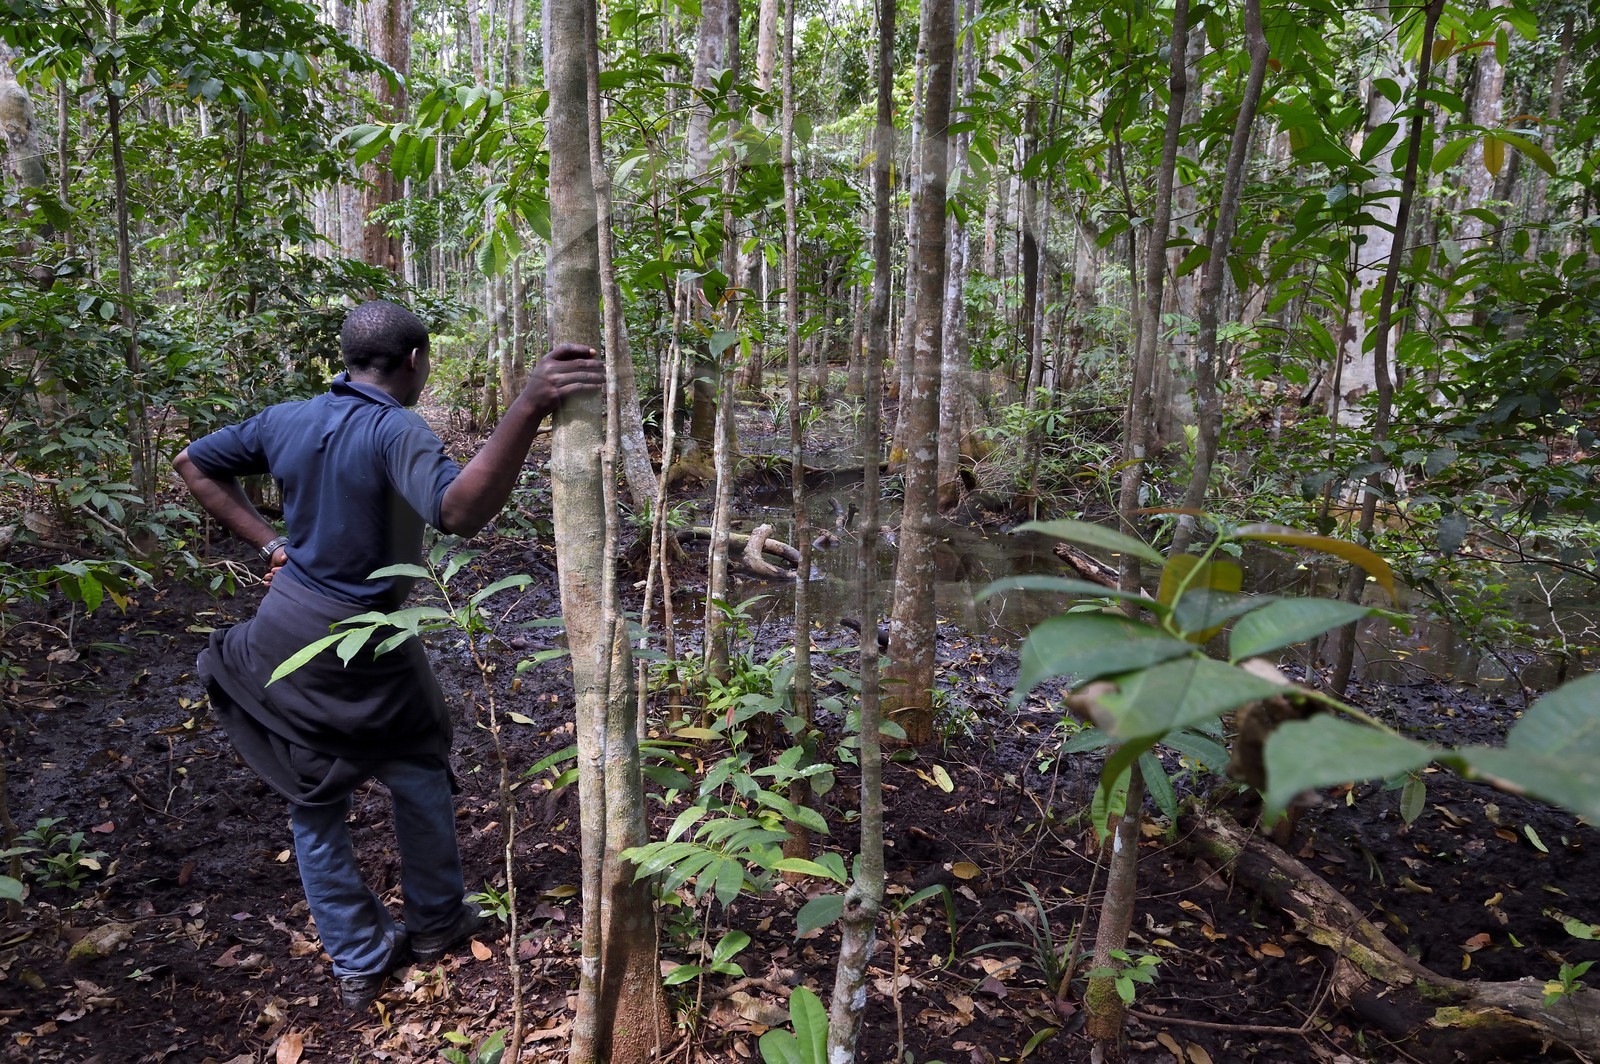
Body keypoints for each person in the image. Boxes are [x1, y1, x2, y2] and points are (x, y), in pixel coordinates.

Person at [174, 300, 603, 1010]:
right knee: (419, 762)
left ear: (346, 359)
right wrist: (526, 406)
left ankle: (359, 956)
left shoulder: (288, 418)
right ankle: (435, 921)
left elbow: (194, 461)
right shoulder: (396, 428)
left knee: (316, 796)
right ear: (414, 362)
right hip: (363, 637)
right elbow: (459, 512)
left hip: (285, 635)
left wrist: (269, 544)